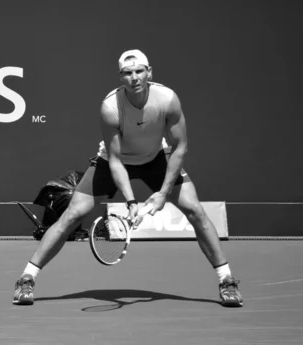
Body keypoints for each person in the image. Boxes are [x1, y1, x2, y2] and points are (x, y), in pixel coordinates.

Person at [13, 49, 243, 308]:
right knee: (74, 213)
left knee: (195, 210)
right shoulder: (110, 107)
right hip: (115, 160)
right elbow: (114, 159)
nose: (134, 77)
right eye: (127, 73)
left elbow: (180, 147)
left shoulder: (167, 99)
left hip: (156, 158)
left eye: (139, 71)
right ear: (121, 77)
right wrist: (132, 202)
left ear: (149, 72)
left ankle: (227, 281)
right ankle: (27, 278)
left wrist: (163, 193)